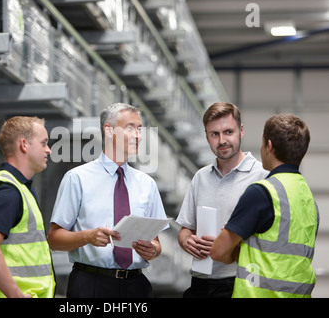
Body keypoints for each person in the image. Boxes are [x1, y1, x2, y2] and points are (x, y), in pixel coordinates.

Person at [48, 103, 168, 298]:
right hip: (90, 285)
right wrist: (87, 237)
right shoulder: (77, 178)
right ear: (109, 130)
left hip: (137, 287)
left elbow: (156, 243)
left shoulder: (147, 184)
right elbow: (54, 239)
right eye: (130, 128)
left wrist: (152, 251)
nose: (138, 135)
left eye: (139, 129)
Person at [211, 113, 319, 298]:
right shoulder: (309, 200)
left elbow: (218, 252)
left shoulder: (261, 193)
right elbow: (283, 258)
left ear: (268, 146)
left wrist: (237, 247)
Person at [176, 102, 268, 298]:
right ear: (206, 136)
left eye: (228, 132)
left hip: (241, 280)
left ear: (241, 131)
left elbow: (270, 238)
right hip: (201, 281)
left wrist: (229, 243)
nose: (222, 140)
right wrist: (187, 241)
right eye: (214, 134)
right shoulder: (201, 177)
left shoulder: (262, 177)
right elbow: (185, 228)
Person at [0, 116, 56, 298]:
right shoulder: (8, 191)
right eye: (43, 143)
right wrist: (15, 295)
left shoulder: (19, 189)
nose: (48, 150)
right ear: (24, 145)